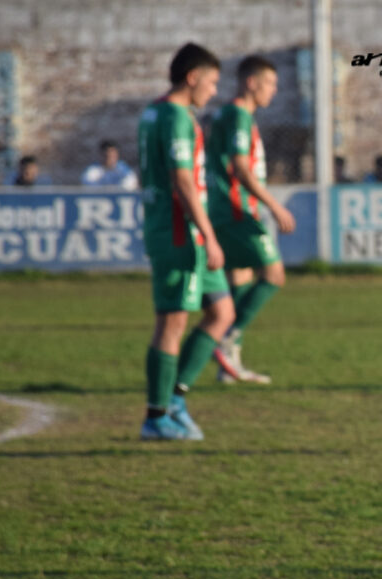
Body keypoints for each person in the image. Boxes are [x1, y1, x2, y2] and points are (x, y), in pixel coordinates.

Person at [137, 42, 234, 441]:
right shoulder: (176, 117)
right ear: (192, 78)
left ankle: (175, 396)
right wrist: (209, 236)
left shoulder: (153, 111)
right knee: (173, 322)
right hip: (181, 234)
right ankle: (156, 415)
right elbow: (181, 182)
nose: (213, 91)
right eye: (211, 82)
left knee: (222, 312)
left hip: (178, 230)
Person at [206, 55, 296, 385]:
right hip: (236, 210)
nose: (274, 90)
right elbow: (241, 168)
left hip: (227, 209)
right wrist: (275, 205)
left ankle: (229, 367)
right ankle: (227, 337)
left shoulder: (234, 116)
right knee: (273, 275)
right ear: (251, 82)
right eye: (270, 83)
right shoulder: (238, 115)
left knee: (240, 279)